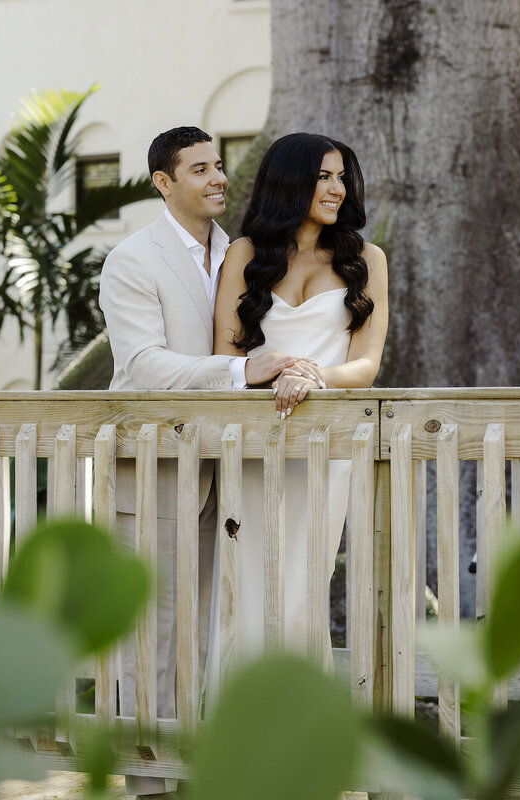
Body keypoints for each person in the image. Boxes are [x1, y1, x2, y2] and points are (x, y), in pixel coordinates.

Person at [98, 126, 320, 800]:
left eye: (220, 165)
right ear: (164, 183)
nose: (219, 178)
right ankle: (147, 785)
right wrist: (238, 370)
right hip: (156, 468)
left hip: (228, 474)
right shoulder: (132, 259)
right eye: (200, 169)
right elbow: (141, 366)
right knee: (153, 636)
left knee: (205, 632)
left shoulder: (245, 254)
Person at [209, 132, 389, 675]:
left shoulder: (367, 259)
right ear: (290, 181)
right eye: (323, 177)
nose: (337, 189)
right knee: (242, 587)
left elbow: (366, 365)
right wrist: (274, 372)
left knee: (302, 587)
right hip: (252, 442)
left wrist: (313, 374)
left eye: (341, 177)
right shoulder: (245, 254)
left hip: (323, 447)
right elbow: (225, 353)